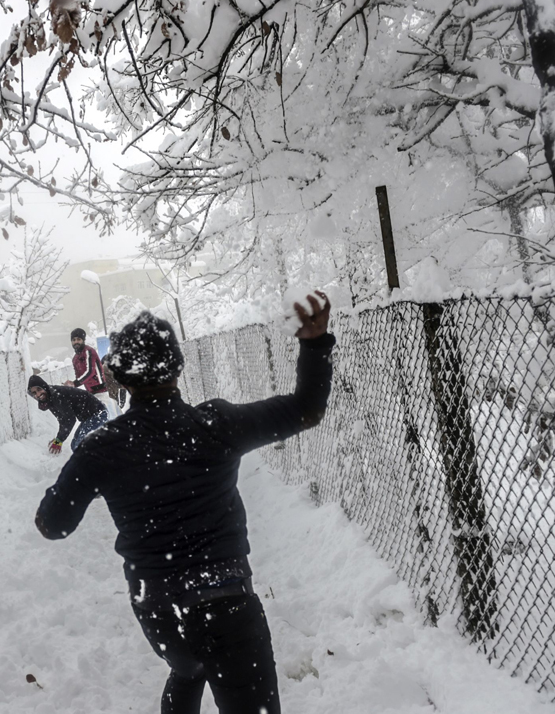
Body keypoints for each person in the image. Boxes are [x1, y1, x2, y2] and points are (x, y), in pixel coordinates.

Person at [35, 292, 334, 714]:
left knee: (189, 669)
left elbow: (52, 524)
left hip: (160, 610)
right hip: (228, 602)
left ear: (120, 377)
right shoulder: (215, 424)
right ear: (177, 367)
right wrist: (315, 343)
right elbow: (307, 408)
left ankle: (188, 667)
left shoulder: (104, 448)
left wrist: (78, 474)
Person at [28, 374, 109, 454]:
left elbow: (70, 419)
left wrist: (59, 440)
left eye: (39, 389)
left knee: (80, 445)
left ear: (44, 387)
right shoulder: (49, 398)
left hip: (98, 414)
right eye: (34, 393)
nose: (38, 394)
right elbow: (62, 419)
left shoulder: (56, 396)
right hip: (89, 417)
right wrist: (58, 439)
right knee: (74, 445)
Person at [63, 327, 110, 412]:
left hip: (101, 391)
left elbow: (90, 371)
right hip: (90, 393)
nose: (76, 342)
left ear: (83, 340)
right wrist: (71, 385)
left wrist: (75, 383)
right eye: (73, 340)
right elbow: (79, 378)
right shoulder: (75, 359)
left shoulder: (89, 351)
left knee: (104, 415)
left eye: (78, 339)